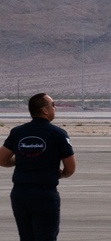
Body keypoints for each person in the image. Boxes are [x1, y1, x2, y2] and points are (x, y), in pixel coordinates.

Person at [0, 93, 76, 241]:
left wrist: (22, 158)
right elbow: (71, 168)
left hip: (20, 194)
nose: (55, 108)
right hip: (44, 195)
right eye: (53, 105)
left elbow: (2, 160)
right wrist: (60, 174)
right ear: (45, 110)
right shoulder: (58, 134)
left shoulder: (18, 132)